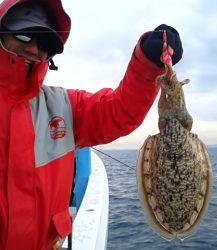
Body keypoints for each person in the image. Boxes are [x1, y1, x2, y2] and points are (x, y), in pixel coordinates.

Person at [0, 0, 183, 249]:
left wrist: (149, 63)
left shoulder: (64, 106)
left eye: (44, 43)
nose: (34, 48)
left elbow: (118, 111)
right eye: (24, 35)